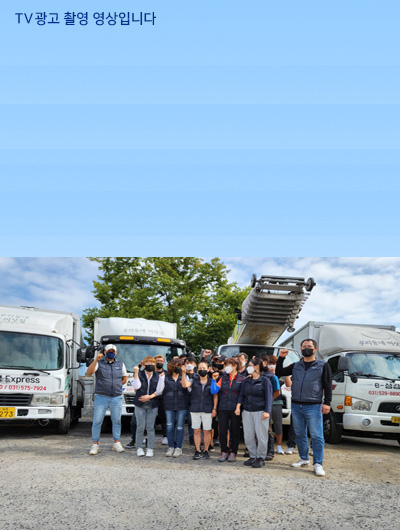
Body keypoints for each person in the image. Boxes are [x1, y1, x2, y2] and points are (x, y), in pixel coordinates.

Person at [276, 340, 332, 477]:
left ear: (315, 349)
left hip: (313, 405)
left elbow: (327, 384)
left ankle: (318, 463)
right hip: (296, 405)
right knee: (300, 434)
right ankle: (304, 458)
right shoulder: (296, 365)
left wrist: (327, 402)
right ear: (300, 349)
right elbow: (279, 372)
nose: (307, 348)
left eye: (309, 347)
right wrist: (281, 358)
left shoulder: (323, 365)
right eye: (304, 346)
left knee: (316, 435)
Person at [86, 344, 127, 455]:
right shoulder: (99, 363)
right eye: (109, 351)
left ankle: (116, 443)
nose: (111, 353)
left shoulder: (120, 364)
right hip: (101, 396)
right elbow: (88, 373)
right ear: (104, 352)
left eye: (113, 351)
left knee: (117, 420)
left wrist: (118, 385)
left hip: (116, 397)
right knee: (97, 421)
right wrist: (96, 360)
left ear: (116, 353)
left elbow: (124, 378)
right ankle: (95, 444)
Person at [235, 357, 273, 468]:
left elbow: (269, 397)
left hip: (260, 411)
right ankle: (252, 455)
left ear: (257, 367)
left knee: (261, 436)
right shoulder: (246, 381)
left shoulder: (265, 380)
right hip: (247, 411)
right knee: (248, 435)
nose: (248, 367)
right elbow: (241, 395)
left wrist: (267, 411)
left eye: (250, 365)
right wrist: (238, 407)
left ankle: (260, 457)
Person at [211, 357, 245, 462]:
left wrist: (238, 407)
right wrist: (213, 379)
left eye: (228, 365)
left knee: (235, 430)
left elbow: (242, 395)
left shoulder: (242, 379)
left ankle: (233, 452)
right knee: (222, 431)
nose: (226, 367)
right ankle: (224, 451)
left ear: (235, 366)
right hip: (223, 407)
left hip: (235, 408)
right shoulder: (223, 378)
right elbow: (214, 391)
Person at [183, 361, 218, 460]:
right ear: (197, 370)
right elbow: (185, 385)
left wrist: (214, 408)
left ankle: (206, 450)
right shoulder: (193, 380)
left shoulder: (212, 381)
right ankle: (197, 450)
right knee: (196, 431)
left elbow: (215, 396)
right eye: (200, 368)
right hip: (195, 409)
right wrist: (183, 373)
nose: (202, 370)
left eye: (204, 368)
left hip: (208, 409)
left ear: (208, 369)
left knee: (207, 431)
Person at [131, 356, 165, 457]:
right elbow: (136, 386)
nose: (150, 365)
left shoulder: (158, 376)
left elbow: (159, 391)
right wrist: (136, 372)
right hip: (140, 403)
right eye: (148, 363)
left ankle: (150, 448)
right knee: (140, 426)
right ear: (144, 364)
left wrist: (149, 397)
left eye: (152, 363)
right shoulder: (140, 374)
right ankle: (139, 448)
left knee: (150, 427)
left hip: (152, 403)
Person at [163, 358, 189, 458]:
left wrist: (183, 374)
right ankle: (171, 447)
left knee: (180, 427)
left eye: (180, 366)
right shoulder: (165, 377)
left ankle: (178, 447)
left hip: (181, 405)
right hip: (169, 405)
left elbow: (185, 386)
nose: (178, 368)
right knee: (169, 426)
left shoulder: (184, 376)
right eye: (176, 366)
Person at [267, 355, 285, 455]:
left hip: (277, 402)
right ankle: (268, 446)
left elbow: (281, 384)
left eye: (273, 364)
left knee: (278, 425)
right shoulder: (264, 374)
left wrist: (274, 374)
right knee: (267, 426)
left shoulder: (280, 374)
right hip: (266, 403)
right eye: (270, 363)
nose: (271, 365)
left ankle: (279, 446)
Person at [154, 354, 168, 445]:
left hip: (162, 399)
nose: (159, 363)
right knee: (150, 419)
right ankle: (147, 437)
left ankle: (165, 436)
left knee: (163, 418)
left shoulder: (166, 373)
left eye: (161, 361)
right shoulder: (151, 372)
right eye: (158, 361)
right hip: (152, 398)